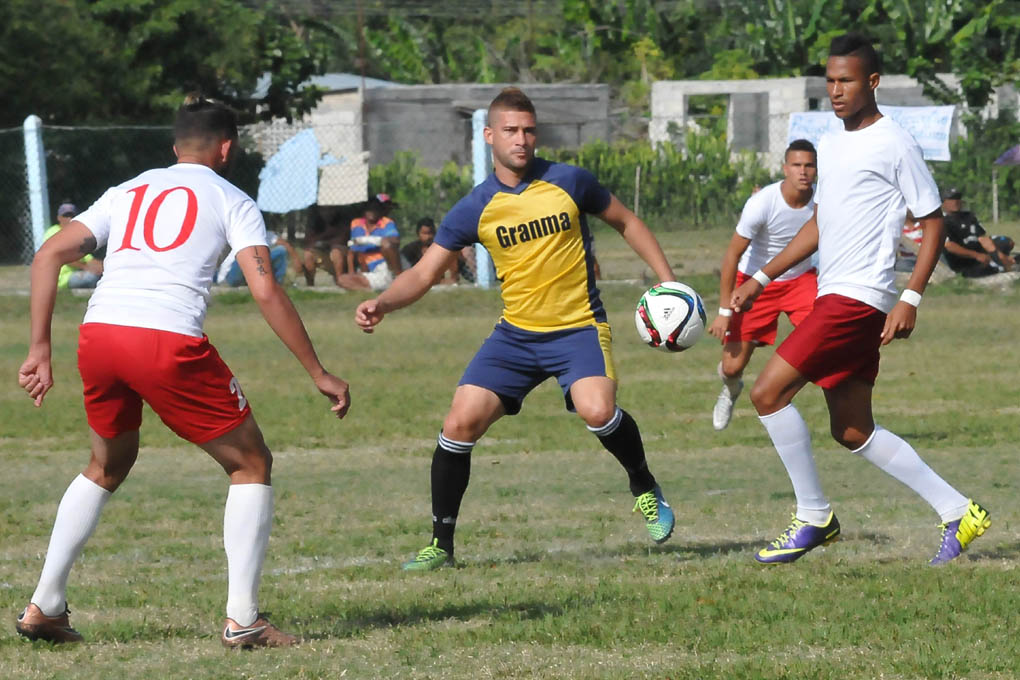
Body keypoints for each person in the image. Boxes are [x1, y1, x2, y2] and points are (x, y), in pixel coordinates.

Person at [15, 96, 351, 647]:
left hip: (100, 336)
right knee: (250, 463)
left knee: (107, 463)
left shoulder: (129, 189)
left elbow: (49, 255)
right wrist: (317, 370)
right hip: (165, 340)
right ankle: (243, 620)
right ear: (227, 148)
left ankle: (45, 606)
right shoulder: (233, 198)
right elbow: (264, 288)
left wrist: (38, 349)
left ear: (175, 149)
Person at [355, 87, 679, 570]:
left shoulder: (570, 181)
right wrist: (382, 302)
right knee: (458, 424)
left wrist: (668, 282)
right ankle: (440, 546)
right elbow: (423, 273)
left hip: (577, 329)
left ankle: (644, 485)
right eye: (510, 131)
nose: (521, 140)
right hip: (516, 337)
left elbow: (626, 222)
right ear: (489, 136)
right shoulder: (475, 207)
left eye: (529, 130)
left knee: (597, 410)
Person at [730, 34, 990, 566]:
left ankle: (813, 516)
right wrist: (761, 275)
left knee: (766, 393)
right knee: (851, 429)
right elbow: (820, 224)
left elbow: (932, 219)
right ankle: (959, 511)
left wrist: (911, 295)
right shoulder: (830, 141)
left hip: (857, 298)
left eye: (846, 80)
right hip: (834, 291)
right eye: (829, 80)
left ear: (872, 82)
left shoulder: (894, 141)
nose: (836, 90)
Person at [707, 140, 818, 431]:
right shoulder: (762, 203)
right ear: (785, 169)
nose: (803, 172)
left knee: (825, 343)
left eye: (809, 165)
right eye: (796, 165)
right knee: (732, 367)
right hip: (754, 285)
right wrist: (723, 311)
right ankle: (730, 390)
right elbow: (732, 255)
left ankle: (781, 394)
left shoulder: (823, 200)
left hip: (801, 281)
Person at [940, 187, 1017, 277]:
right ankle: (998, 265)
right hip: (962, 257)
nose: (955, 201)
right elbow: (949, 246)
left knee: (1006, 241)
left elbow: (982, 237)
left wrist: (997, 254)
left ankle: (1004, 262)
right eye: (951, 199)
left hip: (978, 249)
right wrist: (976, 255)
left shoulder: (969, 216)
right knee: (980, 269)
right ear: (943, 202)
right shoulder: (942, 221)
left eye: (958, 198)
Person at [336, 195, 401, 291]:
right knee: (342, 280)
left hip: (386, 265)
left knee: (387, 244)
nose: (372, 211)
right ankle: (374, 289)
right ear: (364, 210)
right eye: (369, 208)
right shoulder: (356, 223)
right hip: (369, 269)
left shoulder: (386, 222)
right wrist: (352, 272)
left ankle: (398, 280)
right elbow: (353, 250)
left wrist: (368, 240)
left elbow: (395, 240)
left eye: (376, 208)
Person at [42, 203, 104, 289]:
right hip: (61, 278)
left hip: (78, 272)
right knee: (91, 278)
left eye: (72, 216)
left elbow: (88, 258)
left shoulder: (77, 234)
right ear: (59, 218)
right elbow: (62, 257)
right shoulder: (53, 233)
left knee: (105, 274)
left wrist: (103, 267)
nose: (70, 219)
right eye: (66, 216)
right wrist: (86, 267)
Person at [217, 229, 294, 286]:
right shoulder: (235, 233)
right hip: (230, 275)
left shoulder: (260, 233)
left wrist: (296, 259)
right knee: (244, 256)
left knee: (280, 250)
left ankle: (277, 283)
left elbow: (283, 244)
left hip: (252, 271)